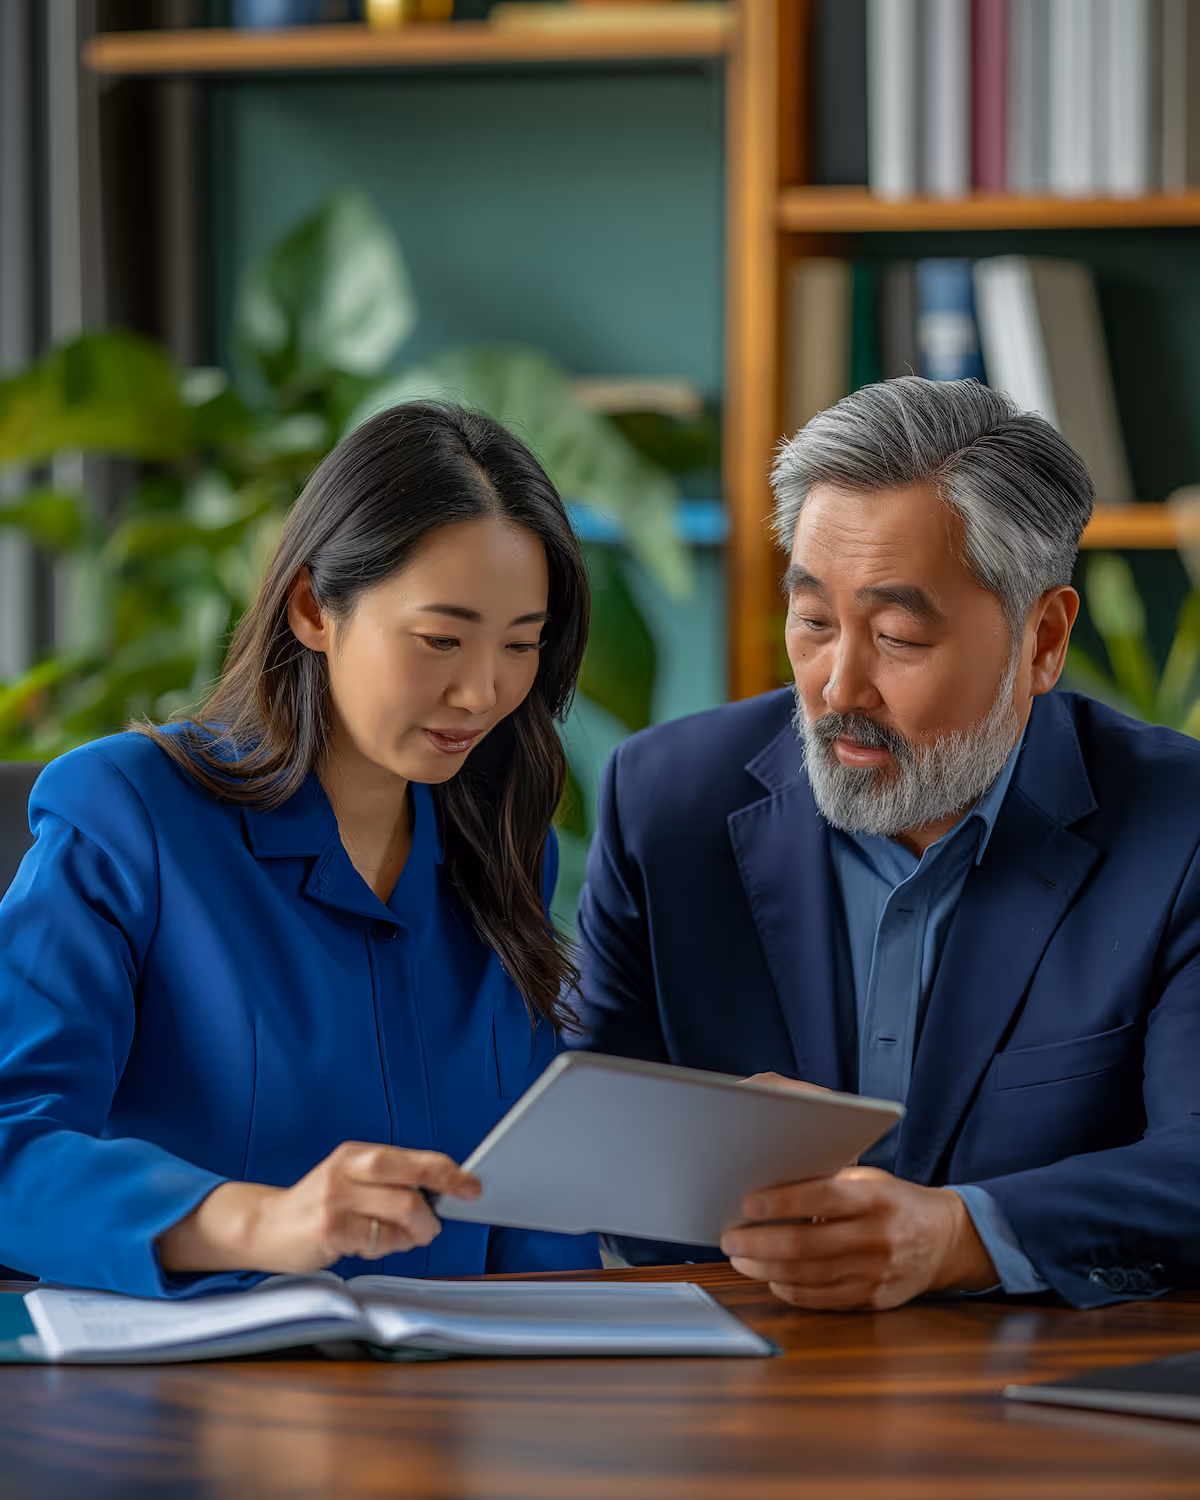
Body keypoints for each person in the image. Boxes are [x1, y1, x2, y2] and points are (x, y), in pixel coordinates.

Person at [577, 376, 1200, 1312]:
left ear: (1043, 639)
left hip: (1050, 1399)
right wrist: (712, 1147)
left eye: (899, 635)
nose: (838, 687)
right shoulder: (667, 800)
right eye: (814, 622)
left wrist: (960, 1235)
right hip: (739, 1378)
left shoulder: (1180, 826)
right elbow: (587, 1120)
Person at [0, 401, 601, 1296]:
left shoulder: (502, 844)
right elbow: (14, 1140)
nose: (482, 691)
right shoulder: (129, 815)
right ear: (315, 607)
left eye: (520, 645)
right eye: (441, 639)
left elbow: (533, 1216)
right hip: (195, 1406)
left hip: (461, 1406)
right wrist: (260, 1220)